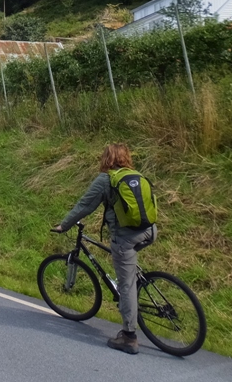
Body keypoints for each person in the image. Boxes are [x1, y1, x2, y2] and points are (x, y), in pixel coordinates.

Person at [53, 143, 156, 355]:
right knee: (130, 271)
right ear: (126, 157)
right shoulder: (136, 174)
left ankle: (128, 337)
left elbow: (84, 206)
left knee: (125, 286)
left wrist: (65, 225)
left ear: (106, 158)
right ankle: (137, 288)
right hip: (150, 231)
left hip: (126, 237)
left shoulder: (106, 179)